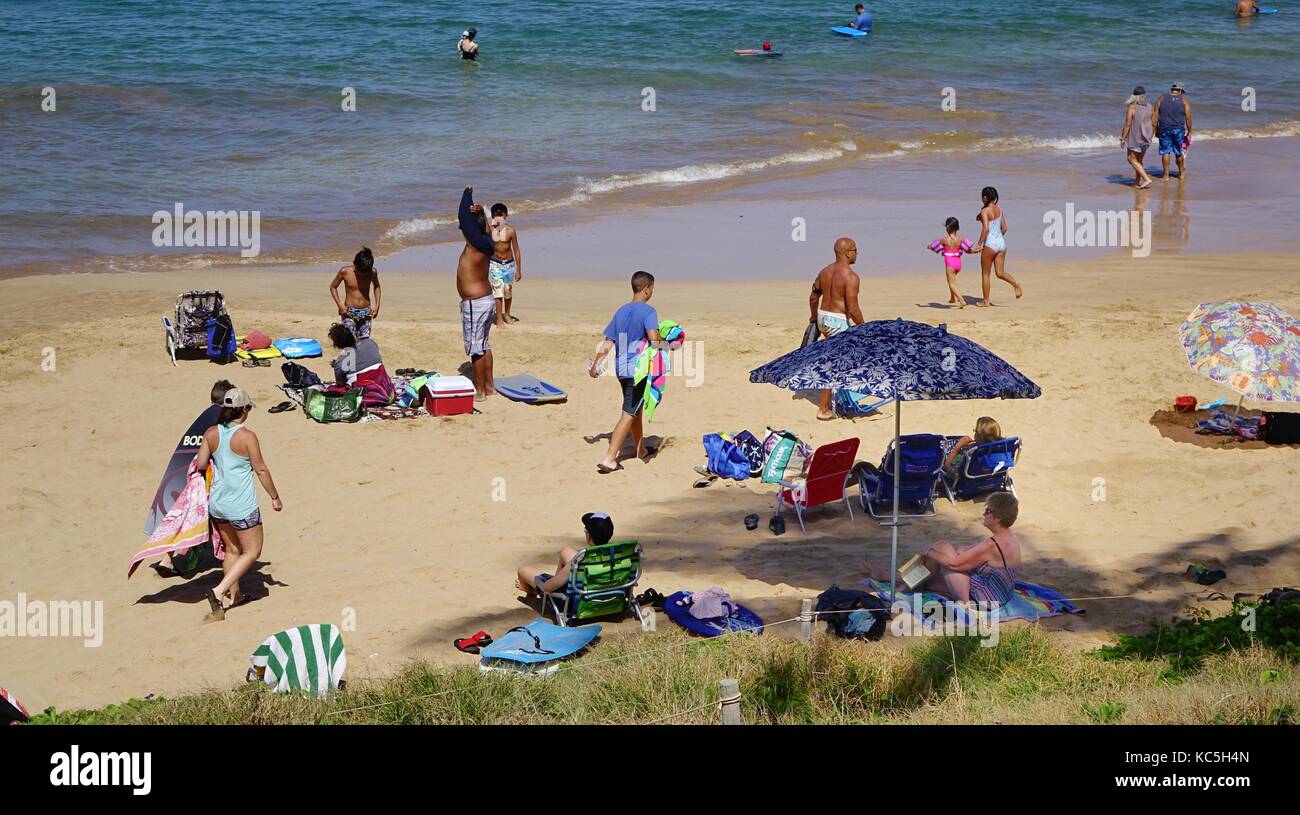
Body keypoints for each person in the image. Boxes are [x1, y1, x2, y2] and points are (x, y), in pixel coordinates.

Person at [194, 388, 282, 620]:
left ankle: (236, 596)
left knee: (232, 550)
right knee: (252, 551)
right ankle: (220, 590)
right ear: (244, 409)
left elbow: (201, 463)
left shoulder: (211, 433)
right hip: (241, 505)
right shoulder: (247, 436)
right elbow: (260, 469)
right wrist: (274, 496)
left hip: (218, 503)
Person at [153, 379, 234, 577]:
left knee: (183, 519)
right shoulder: (217, 425)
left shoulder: (203, 421)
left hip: (188, 481)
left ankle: (167, 559)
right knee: (199, 521)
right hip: (203, 483)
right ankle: (230, 557)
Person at [590, 271, 662, 473]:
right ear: (647, 288)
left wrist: (596, 364)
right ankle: (610, 458)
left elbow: (608, 341)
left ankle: (640, 450)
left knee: (635, 410)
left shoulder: (621, 311)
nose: (652, 292)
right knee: (629, 413)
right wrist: (669, 343)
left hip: (621, 370)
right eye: (652, 289)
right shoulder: (648, 312)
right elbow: (654, 339)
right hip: (637, 370)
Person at [918, 492, 1022, 605]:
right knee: (931, 581)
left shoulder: (992, 545)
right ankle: (905, 584)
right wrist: (949, 553)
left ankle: (903, 585)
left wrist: (928, 551)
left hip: (984, 600)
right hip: (1000, 594)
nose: (983, 514)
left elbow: (954, 564)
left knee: (940, 548)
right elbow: (966, 550)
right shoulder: (1008, 537)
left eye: (988, 511)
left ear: (998, 518)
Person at [809, 237, 864, 420]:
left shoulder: (824, 272)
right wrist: (864, 328)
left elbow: (813, 297)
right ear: (848, 253)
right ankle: (823, 409)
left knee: (838, 356)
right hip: (837, 320)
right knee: (835, 364)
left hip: (823, 317)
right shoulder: (851, 277)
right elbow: (853, 309)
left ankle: (839, 396)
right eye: (855, 250)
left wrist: (814, 317)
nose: (857, 253)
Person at [516, 513, 615, 597]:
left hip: (579, 600)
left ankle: (532, 592)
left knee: (522, 571)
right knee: (566, 551)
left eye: (586, 531)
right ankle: (559, 578)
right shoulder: (618, 555)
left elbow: (547, 588)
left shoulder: (580, 560)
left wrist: (545, 584)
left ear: (589, 537)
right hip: (606, 595)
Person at [458, 185, 497, 400]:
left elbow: (463, 216)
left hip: (475, 303)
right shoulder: (487, 242)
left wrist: (467, 193)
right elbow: (483, 227)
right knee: (483, 344)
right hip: (486, 300)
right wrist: (481, 212)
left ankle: (480, 391)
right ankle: (489, 387)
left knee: (475, 349)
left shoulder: (475, 244)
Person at [972, 186, 1022, 307]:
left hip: (990, 245)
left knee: (985, 274)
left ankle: (985, 301)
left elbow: (986, 229)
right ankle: (1015, 282)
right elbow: (1004, 228)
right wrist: (998, 239)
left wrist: (979, 245)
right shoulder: (999, 209)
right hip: (1001, 244)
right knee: (1000, 273)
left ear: (984, 197)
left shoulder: (985, 211)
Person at [329, 246, 381, 340]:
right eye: (360, 272)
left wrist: (377, 306)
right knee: (349, 339)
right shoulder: (345, 272)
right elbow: (333, 287)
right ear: (354, 264)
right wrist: (340, 305)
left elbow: (377, 286)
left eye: (365, 273)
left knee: (364, 340)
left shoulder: (372, 272)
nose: (363, 274)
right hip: (349, 312)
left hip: (366, 312)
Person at [928, 217, 977, 309]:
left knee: (952, 283)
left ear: (947, 228)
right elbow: (968, 250)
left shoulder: (945, 240)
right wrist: (975, 251)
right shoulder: (961, 239)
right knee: (951, 280)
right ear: (957, 228)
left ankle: (962, 301)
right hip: (958, 263)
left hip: (950, 263)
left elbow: (933, 246)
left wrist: (929, 246)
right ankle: (952, 298)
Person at [489, 203, 522, 327]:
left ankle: (507, 314)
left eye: (500, 216)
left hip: (509, 265)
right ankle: (499, 319)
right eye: (495, 217)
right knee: (498, 293)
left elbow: (516, 250)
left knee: (508, 292)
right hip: (495, 265)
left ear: (505, 216)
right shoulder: (490, 230)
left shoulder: (511, 231)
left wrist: (518, 270)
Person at [1153, 83, 1192, 180]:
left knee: (1166, 152)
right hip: (1179, 129)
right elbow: (1188, 118)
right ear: (1180, 90)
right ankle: (1181, 174)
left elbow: (1155, 115)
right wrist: (1190, 130)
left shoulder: (1161, 98)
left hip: (1164, 129)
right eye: (1182, 92)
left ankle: (1166, 176)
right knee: (1178, 152)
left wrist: (1155, 129)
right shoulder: (1184, 100)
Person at [1121, 86, 1155, 189]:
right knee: (1139, 161)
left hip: (1135, 138)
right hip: (1146, 138)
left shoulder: (1132, 107)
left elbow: (1127, 124)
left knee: (1131, 159)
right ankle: (1137, 182)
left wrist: (1123, 138)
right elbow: (1153, 123)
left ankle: (1146, 179)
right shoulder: (1150, 106)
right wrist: (1151, 136)